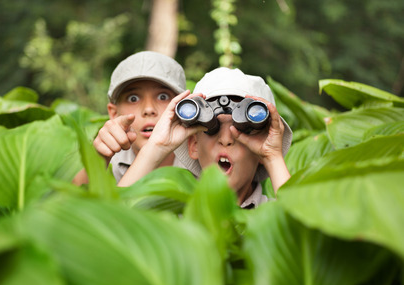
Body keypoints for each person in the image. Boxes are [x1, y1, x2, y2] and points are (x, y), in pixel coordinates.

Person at [118, 67, 293, 208]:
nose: (225, 139)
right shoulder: (174, 210)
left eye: (242, 130)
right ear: (193, 144)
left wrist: (272, 157)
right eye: (212, 128)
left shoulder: (273, 215)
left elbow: (304, 236)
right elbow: (108, 221)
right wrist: (157, 145)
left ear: (260, 147)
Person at [73, 51, 190, 185]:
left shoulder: (201, 155)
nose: (148, 109)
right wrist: (98, 161)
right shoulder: (111, 161)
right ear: (114, 113)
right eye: (133, 98)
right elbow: (69, 202)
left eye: (163, 96)